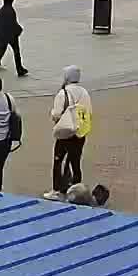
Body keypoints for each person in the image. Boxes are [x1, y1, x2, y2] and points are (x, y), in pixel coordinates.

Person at [48, 66, 92, 197]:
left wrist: (53, 114)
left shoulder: (63, 93)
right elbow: (88, 111)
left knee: (58, 160)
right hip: (80, 132)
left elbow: (56, 114)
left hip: (65, 132)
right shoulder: (84, 92)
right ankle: (77, 191)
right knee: (75, 162)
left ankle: (57, 190)